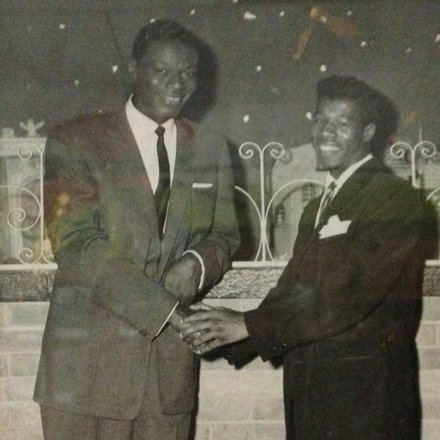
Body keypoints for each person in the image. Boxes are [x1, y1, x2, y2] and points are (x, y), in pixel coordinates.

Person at [181, 76, 433, 439]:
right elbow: (293, 291)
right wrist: (224, 333)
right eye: (320, 119)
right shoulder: (316, 206)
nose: (325, 132)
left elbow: (349, 293)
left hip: (366, 403)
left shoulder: (394, 198)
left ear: (367, 133)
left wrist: (250, 325)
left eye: (341, 123)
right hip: (313, 395)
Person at [34, 19, 239, 440]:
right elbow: (76, 246)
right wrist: (166, 310)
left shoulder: (210, 146)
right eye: (161, 71)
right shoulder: (74, 140)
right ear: (134, 69)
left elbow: (224, 234)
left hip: (167, 383)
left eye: (187, 74)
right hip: (85, 379)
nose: (176, 84)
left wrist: (196, 264)